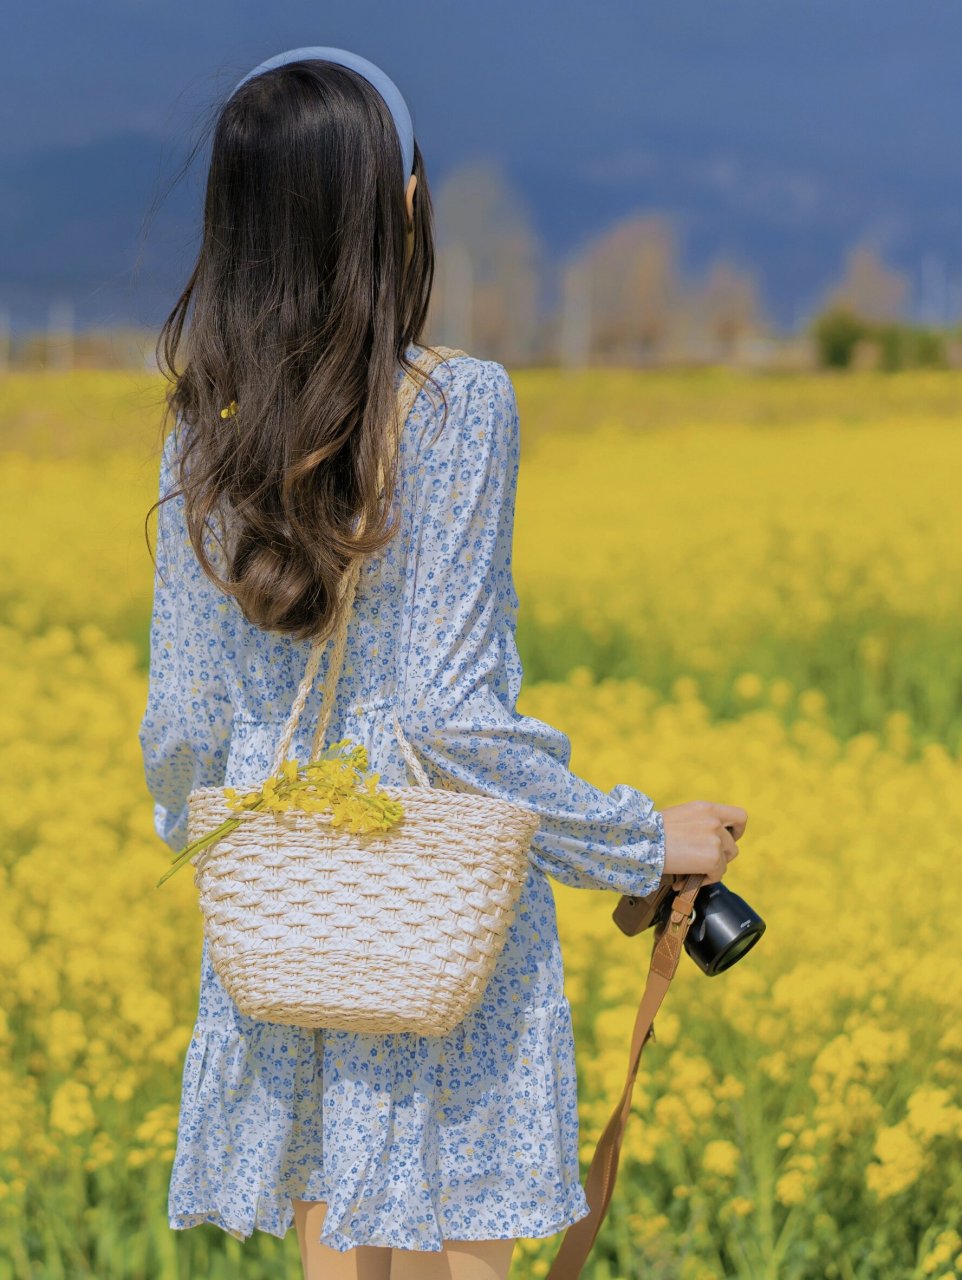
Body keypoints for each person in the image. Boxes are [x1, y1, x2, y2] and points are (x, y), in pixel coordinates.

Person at [138, 47, 748, 1280]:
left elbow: (184, 729)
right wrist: (638, 840)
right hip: (432, 920)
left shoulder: (201, 441)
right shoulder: (459, 404)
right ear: (402, 208)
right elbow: (444, 712)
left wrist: (258, 860)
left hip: (292, 929)